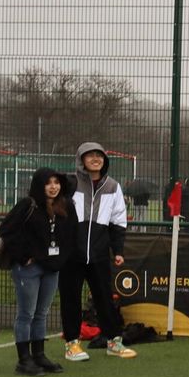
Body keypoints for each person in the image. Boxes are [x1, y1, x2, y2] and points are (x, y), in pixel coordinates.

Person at [61, 142, 136, 361]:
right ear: (81, 160)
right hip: (71, 256)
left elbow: (118, 220)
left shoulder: (113, 186)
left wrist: (118, 250)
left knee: (105, 299)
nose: (96, 159)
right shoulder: (70, 183)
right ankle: (72, 344)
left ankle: (114, 342)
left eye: (99, 155)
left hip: (99, 255)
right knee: (70, 299)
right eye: (90, 155)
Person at [0, 167, 75, 376]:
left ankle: (39, 355)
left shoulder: (65, 206)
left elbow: (71, 235)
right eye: (48, 183)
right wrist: (24, 256)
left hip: (52, 268)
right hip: (29, 269)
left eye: (56, 182)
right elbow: (7, 230)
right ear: (39, 185)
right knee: (27, 314)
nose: (53, 187)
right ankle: (24, 360)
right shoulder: (28, 205)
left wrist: (60, 259)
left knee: (42, 313)